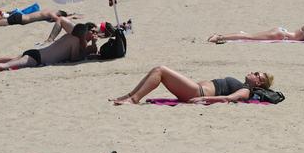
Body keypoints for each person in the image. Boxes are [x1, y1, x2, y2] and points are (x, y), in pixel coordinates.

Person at [0, 23, 98, 74]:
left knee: (5, 63)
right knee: (2, 67)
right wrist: (90, 49)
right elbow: (74, 59)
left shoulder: (68, 36)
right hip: (35, 58)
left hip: (35, 52)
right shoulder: (74, 41)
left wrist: (89, 48)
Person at [111, 66, 273, 105]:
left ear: (259, 83)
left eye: (257, 75)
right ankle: (129, 96)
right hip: (195, 89)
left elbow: (228, 99)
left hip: (197, 93)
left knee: (160, 70)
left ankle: (133, 100)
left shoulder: (246, 90)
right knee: (156, 70)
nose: (253, 72)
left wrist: (204, 99)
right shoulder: (242, 85)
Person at [208, 8, 304, 43]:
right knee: (248, 37)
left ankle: (220, 36)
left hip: (283, 34)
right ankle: (219, 37)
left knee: (249, 36)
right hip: (281, 35)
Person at [0, 9, 69, 29]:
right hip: (18, 19)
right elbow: (57, 19)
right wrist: (69, 17)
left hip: (18, 17)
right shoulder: (51, 13)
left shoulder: (47, 10)